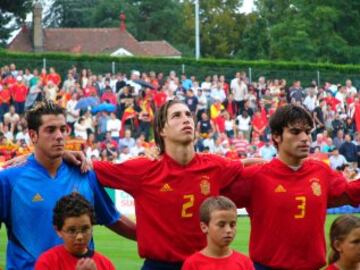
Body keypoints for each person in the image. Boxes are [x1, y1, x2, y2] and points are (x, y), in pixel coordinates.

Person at [85, 100, 261, 270]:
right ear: (162, 130)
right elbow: (88, 168)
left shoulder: (214, 165)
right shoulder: (142, 169)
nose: (186, 119)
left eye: (188, 115)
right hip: (159, 265)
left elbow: (247, 164)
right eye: (176, 116)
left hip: (204, 264)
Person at [0, 100, 135, 269]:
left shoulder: (84, 173)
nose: (59, 136)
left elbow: (113, 218)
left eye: (63, 129)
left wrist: (159, 237)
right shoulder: (9, 180)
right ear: (33, 135)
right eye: (51, 130)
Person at [223, 104, 360, 270]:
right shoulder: (256, 176)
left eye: (308, 132)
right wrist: (231, 165)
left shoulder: (321, 172)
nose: (305, 138)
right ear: (276, 136)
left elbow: (352, 192)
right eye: (295, 132)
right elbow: (209, 191)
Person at [35, 192, 116, 270]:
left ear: (92, 227)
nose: (79, 236)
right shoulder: (47, 262)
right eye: (72, 230)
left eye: (85, 229)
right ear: (58, 231)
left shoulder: (106, 264)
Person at [181, 196, 254, 270]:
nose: (228, 230)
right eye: (221, 225)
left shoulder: (245, 263)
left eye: (232, 225)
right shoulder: (192, 264)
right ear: (204, 227)